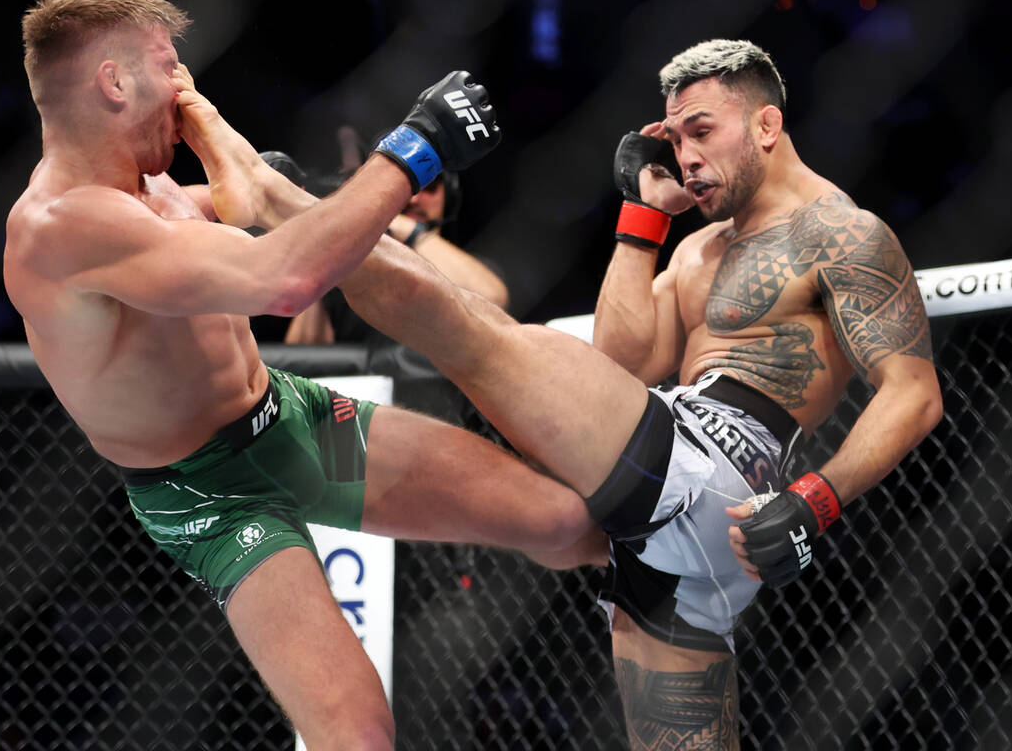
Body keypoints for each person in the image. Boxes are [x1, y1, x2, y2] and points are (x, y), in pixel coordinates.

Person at [238, 38, 940, 748]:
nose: (689, 156)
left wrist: (816, 500)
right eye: (677, 138)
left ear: (765, 126)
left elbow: (913, 394)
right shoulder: (700, 249)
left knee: (475, 332)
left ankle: (293, 207)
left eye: (703, 131)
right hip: (669, 534)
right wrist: (645, 217)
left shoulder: (842, 232)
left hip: (718, 466)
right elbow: (622, 362)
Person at [3, 0, 599, 751]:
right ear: (115, 82)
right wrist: (414, 149)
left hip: (297, 422)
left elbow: (245, 199)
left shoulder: (152, 189)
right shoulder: (60, 226)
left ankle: (674, 594)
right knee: (355, 733)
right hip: (212, 494)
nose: (184, 85)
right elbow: (285, 279)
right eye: (169, 67)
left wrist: (212, 130)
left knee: (560, 519)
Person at [285, 163, 509, 345]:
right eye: (405, 186)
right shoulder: (345, 280)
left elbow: (493, 298)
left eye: (429, 186)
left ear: (448, 197)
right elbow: (302, 357)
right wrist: (324, 257)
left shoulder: (474, 268)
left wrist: (405, 228)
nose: (413, 199)